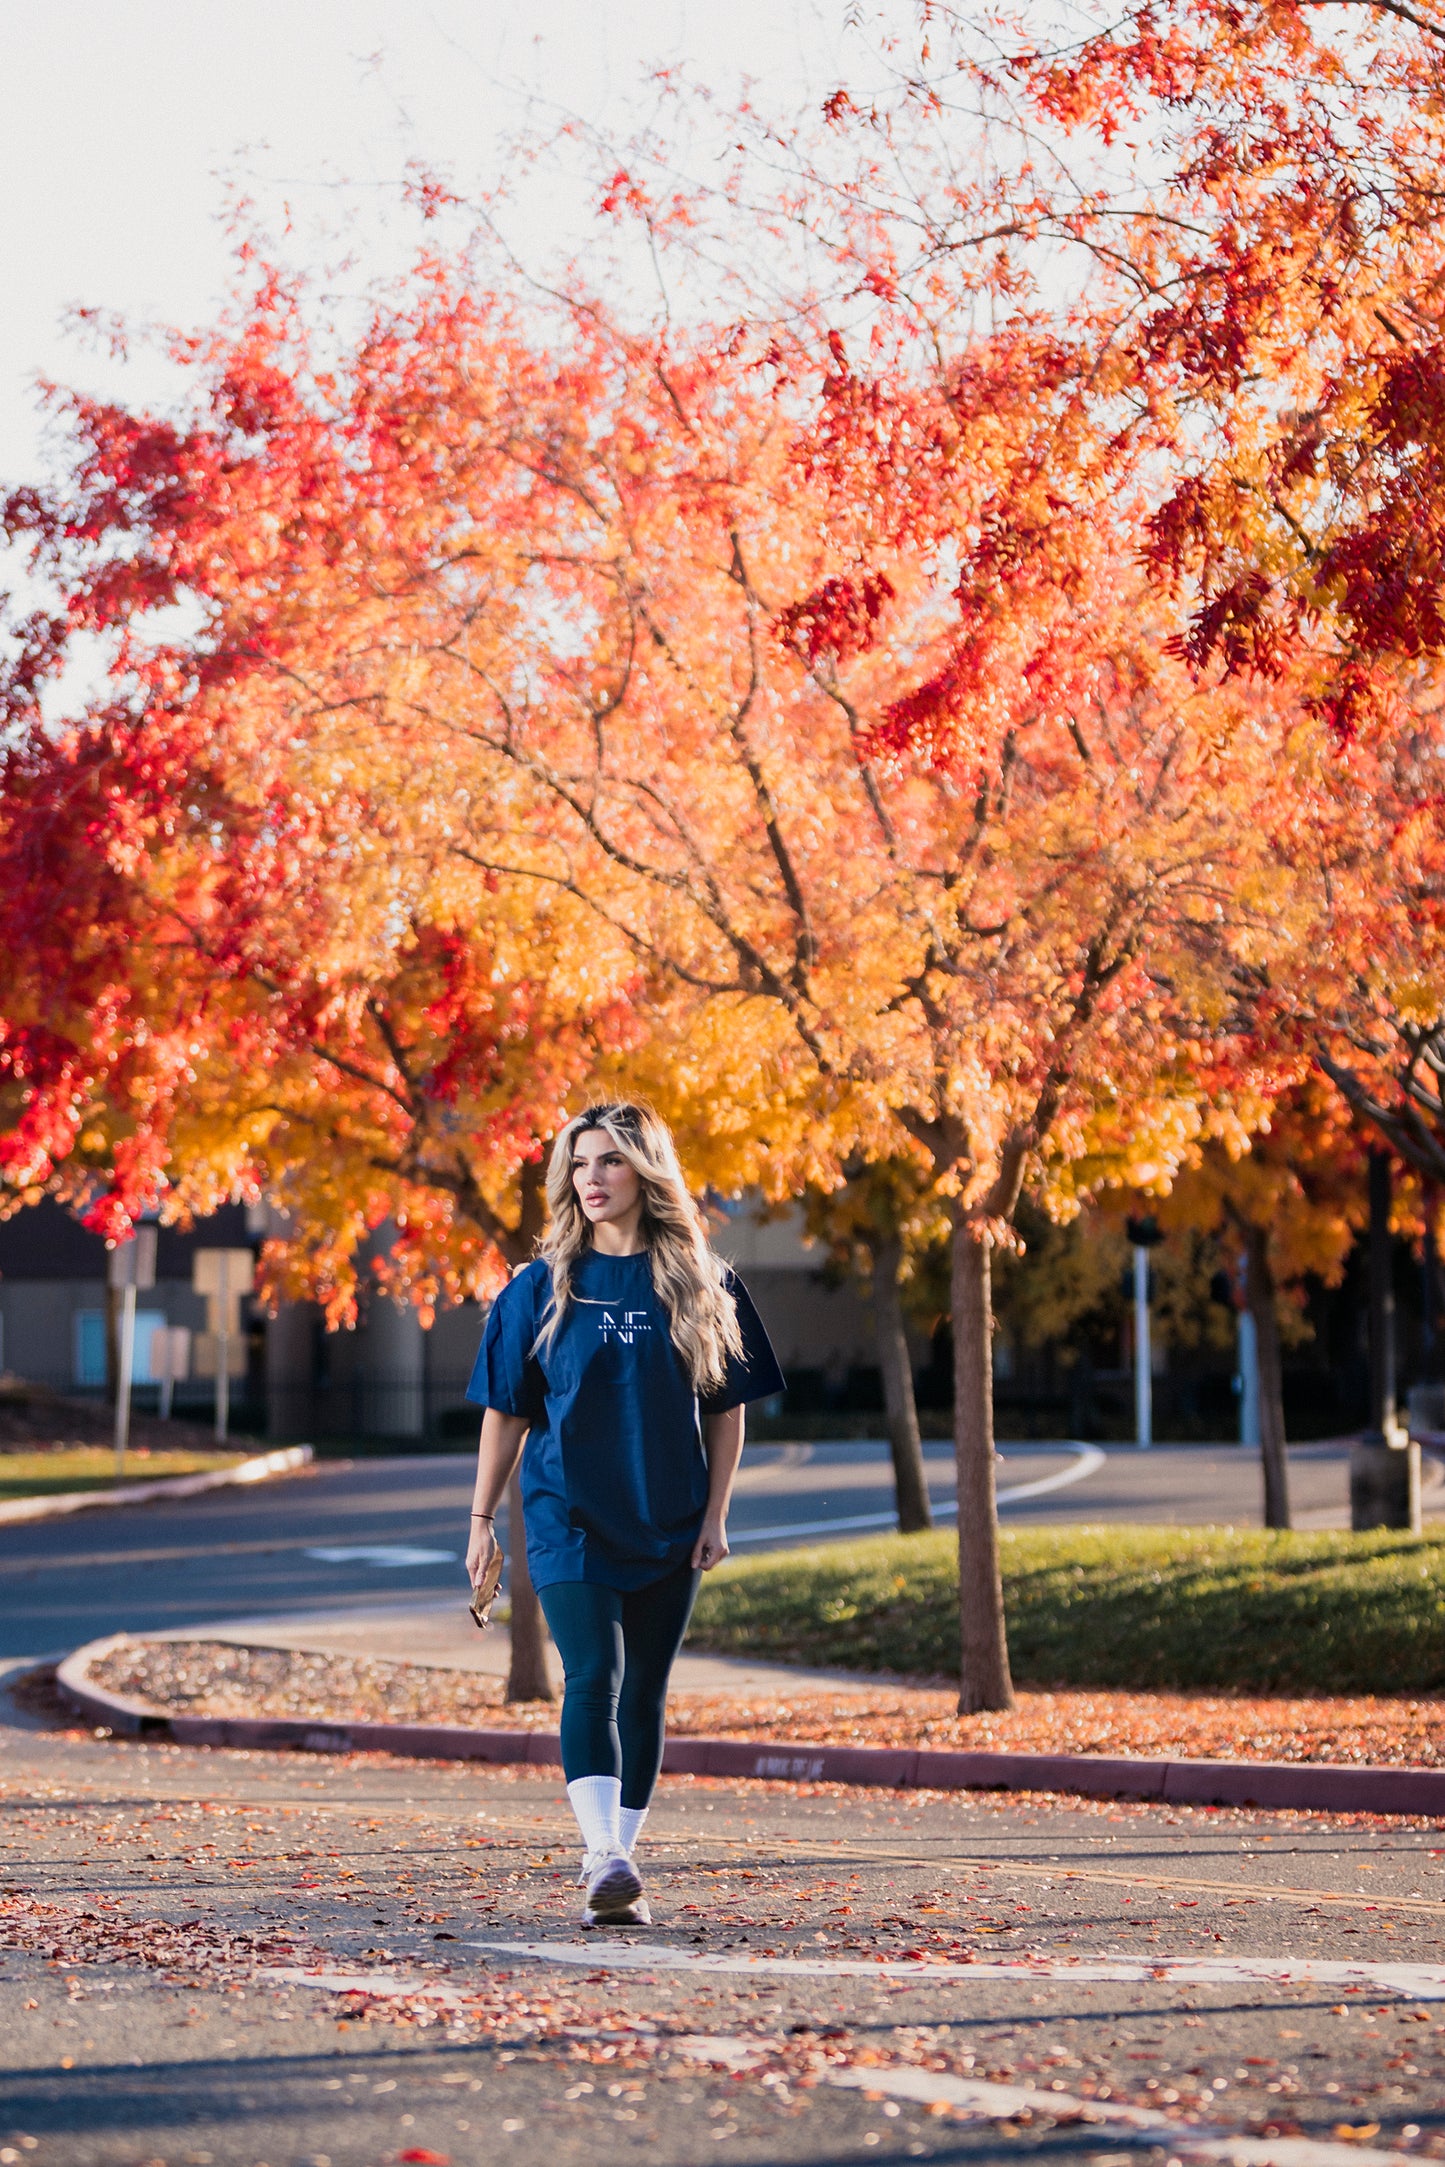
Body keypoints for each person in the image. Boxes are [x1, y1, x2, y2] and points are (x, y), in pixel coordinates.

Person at [464, 1102, 785, 1926]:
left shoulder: (701, 1282)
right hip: (566, 1511)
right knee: (593, 1676)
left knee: (644, 1689)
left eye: (608, 1161)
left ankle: (620, 1862)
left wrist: (715, 1512)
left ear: (644, 1171)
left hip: (667, 1512)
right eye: (579, 1163)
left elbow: (725, 1407)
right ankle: (601, 1853)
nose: (591, 1178)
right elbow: (505, 1409)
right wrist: (481, 1520)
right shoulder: (539, 1288)